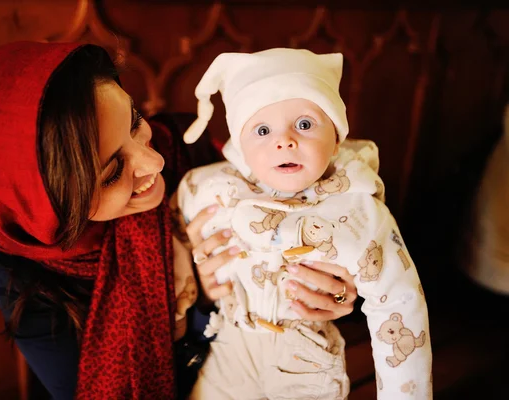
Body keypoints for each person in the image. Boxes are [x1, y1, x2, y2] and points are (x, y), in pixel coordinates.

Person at [0, 41, 359, 400]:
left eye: (135, 123)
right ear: (47, 208)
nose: (155, 161)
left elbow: (318, 223)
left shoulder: (185, 146)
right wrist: (196, 304)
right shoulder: (19, 269)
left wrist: (339, 290)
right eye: (111, 172)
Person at [175, 48, 432, 399]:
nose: (285, 140)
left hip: (303, 357)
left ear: (336, 138)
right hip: (231, 347)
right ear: (240, 148)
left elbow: (400, 307)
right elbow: (174, 230)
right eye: (262, 129)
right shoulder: (210, 189)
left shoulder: (359, 212)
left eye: (305, 124)